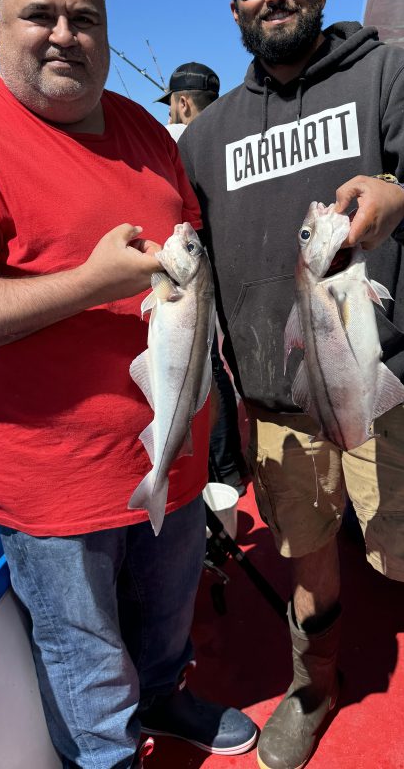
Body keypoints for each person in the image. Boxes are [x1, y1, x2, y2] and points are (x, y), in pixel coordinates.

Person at [0, 0, 257, 769]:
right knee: (84, 656)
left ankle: (167, 695)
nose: (65, 34)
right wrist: (88, 285)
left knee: (166, 618)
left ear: (108, 33)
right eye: (39, 15)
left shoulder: (146, 131)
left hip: (170, 445)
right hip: (50, 482)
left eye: (85, 17)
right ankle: (108, 755)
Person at [178, 0, 404, 769]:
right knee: (306, 557)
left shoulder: (389, 77)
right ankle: (312, 687)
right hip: (278, 405)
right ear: (235, 6)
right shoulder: (205, 137)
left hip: (384, 386)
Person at [157, 63, 248, 495]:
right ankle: (230, 468)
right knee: (214, 364)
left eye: (172, 107)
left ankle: (216, 469)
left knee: (202, 366)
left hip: (188, 270)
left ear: (183, 102)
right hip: (224, 268)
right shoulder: (230, 140)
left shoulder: (174, 143)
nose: (170, 116)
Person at [156, 61, 221, 140]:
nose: (170, 110)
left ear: (183, 103)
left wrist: (172, 130)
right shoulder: (228, 132)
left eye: (171, 103)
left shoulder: (168, 135)